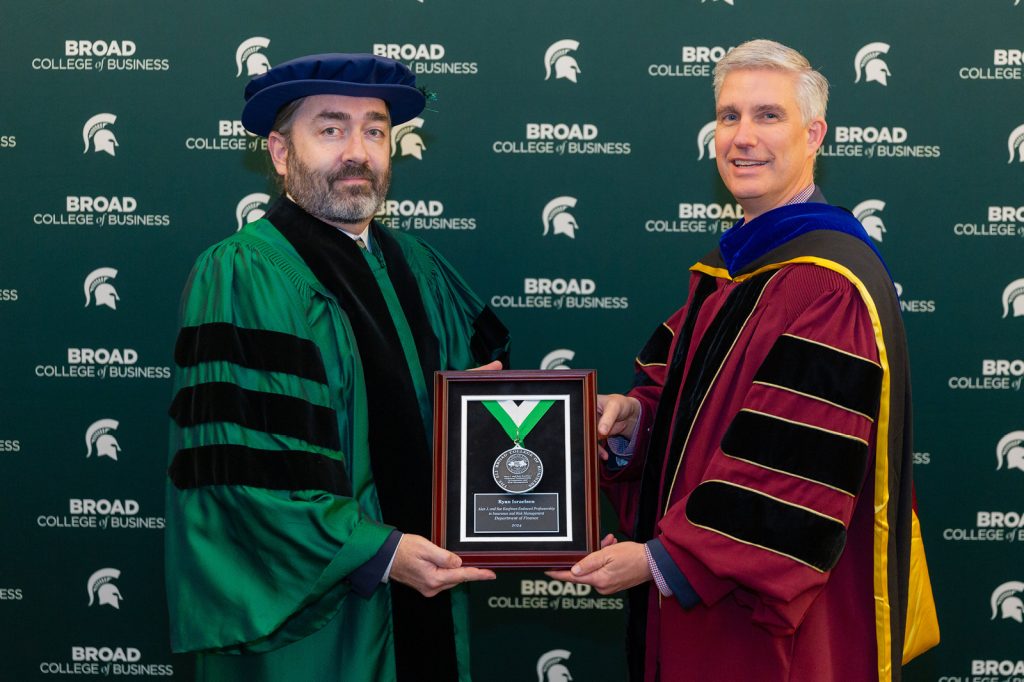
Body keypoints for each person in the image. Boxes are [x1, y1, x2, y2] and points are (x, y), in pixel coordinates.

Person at [549, 40, 939, 681]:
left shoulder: (826, 284)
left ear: (814, 134)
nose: (742, 137)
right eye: (729, 116)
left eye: (767, 116)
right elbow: (687, 406)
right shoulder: (739, 272)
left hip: (769, 625)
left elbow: (797, 467)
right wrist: (631, 423)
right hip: (704, 605)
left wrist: (662, 562)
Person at [164, 53, 509, 682]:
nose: (358, 151)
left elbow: (477, 410)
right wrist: (376, 551)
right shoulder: (245, 272)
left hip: (423, 596)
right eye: (330, 129)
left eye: (375, 130)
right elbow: (243, 471)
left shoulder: (418, 266)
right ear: (278, 152)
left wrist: (519, 427)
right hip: (321, 628)